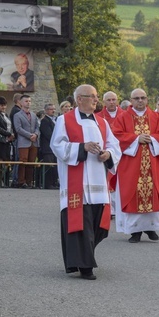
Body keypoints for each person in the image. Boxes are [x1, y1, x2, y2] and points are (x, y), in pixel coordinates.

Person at [51, 84, 120, 280]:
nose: (96, 100)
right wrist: (82, 147)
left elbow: (115, 147)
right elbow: (57, 145)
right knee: (82, 224)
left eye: (96, 96)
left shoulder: (102, 123)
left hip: (98, 184)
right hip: (77, 185)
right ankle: (85, 264)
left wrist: (108, 154)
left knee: (97, 225)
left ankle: (83, 257)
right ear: (79, 99)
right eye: (92, 96)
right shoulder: (64, 120)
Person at [112, 88, 159, 243]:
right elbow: (116, 136)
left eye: (142, 98)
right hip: (131, 165)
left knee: (152, 192)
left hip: (152, 164)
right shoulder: (123, 117)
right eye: (136, 98)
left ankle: (151, 227)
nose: (140, 101)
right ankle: (135, 231)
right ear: (131, 101)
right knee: (132, 193)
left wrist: (152, 138)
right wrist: (136, 139)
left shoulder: (156, 117)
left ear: (147, 99)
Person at [13, 94, 40, 188]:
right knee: (23, 162)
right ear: (20, 102)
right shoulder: (17, 115)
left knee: (31, 162)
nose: (28, 103)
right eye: (26, 101)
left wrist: (36, 134)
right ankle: (21, 181)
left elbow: (37, 126)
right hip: (23, 142)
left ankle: (30, 182)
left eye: (29, 101)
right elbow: (18, 129)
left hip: (34, 142)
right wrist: (29, 135)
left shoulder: (33, 115)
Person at [39, 103, 58, 189]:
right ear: (46, 111)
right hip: (48, 148)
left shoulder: (55, 120)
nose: (53, 111)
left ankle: (54, 182)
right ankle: (48, 183)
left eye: (54, 109)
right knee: (49, 166)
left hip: (54, 148)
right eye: (51, 109)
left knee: (54, 166)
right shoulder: (44, 121)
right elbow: (48, 134)